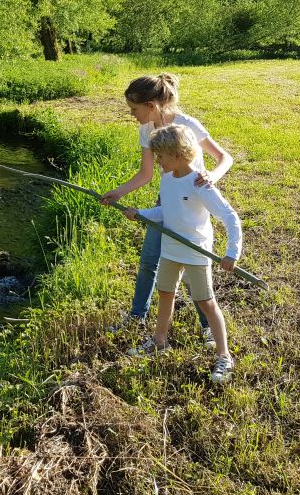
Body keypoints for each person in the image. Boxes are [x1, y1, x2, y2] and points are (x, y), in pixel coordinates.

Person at [100, 73, 233, 347]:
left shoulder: (186, 124)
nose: (131, 115)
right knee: (149, 261)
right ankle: (137, 315)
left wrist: (211, 177)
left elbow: (224, 157)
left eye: (134, 109)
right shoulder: (146, 130)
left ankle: (207, 327)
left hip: (192, 208)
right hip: (165, 207)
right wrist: (118, 193)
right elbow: (146, 174)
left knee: (195, 270)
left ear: (151, 105)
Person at [121, 124, 241, 383]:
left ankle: (224, 356)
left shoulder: (200, 184)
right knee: (166, 292)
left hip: (196, 250)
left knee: (205, 302)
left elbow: (229, 217)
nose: (158, 162)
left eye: (161, 157)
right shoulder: (167, 179)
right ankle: (159, 341)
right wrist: (140, 214)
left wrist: (232, 252)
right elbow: (165, 213)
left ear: (176, 155)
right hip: (171, 248)